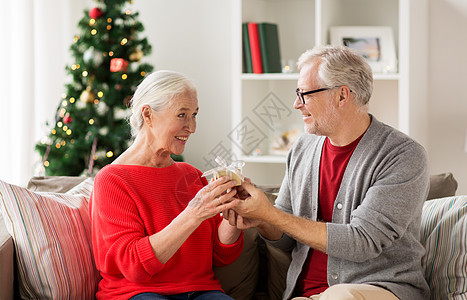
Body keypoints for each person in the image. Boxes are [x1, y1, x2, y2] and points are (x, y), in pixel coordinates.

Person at [230, 45, 430, 300]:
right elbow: (286, 240)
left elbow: (362, 242)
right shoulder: (302, 148)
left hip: (381, 289)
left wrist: (271, 214)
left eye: (305, 94)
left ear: (342, 96)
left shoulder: (402, 155)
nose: (296, 104)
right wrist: (261, 219)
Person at [89, 70, 243, 300]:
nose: (192, 127)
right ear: (148, 114)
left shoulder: (192, 175)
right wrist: (193, 214)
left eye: (194, 115)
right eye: (182, 115)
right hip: (137, 293)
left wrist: (234, 214)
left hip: (202, 292)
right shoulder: (113, 180)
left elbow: (221, 256)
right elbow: (134, 265)